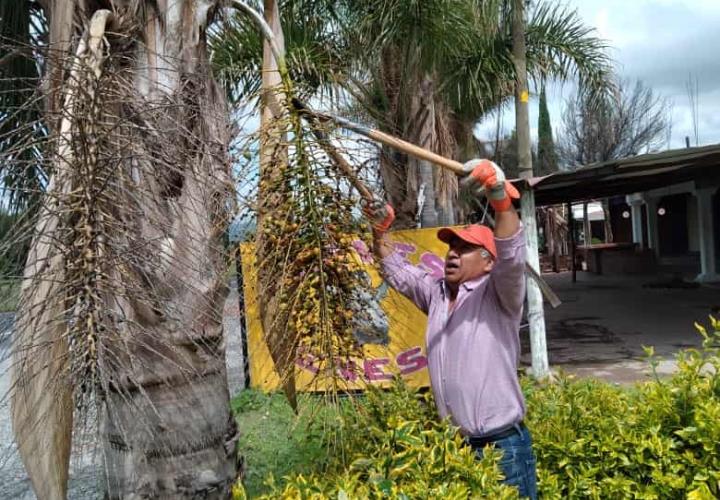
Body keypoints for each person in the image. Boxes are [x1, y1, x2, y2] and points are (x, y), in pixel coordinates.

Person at [364, 159, 537, 499]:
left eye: (465, 249)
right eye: (451, 248)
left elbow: (512, 255)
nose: (452, 255)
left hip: (503, 448)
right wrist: (379, 230)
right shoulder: (436, 294)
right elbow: (396, 269)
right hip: (457, 447)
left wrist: (500, 197)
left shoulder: (500, 294)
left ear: (489, 260)